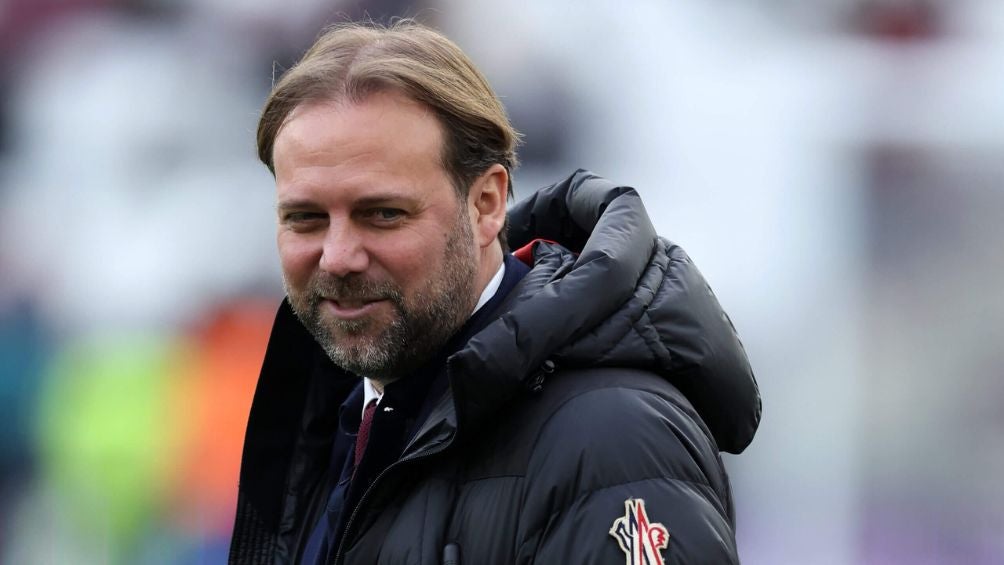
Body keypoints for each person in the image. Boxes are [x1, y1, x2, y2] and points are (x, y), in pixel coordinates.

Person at [229, 20, 761, 565]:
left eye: (383, 214)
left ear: (486, 204)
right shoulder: (341, 421)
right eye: (305, 218)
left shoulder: (612, 442)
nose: (338, 256)